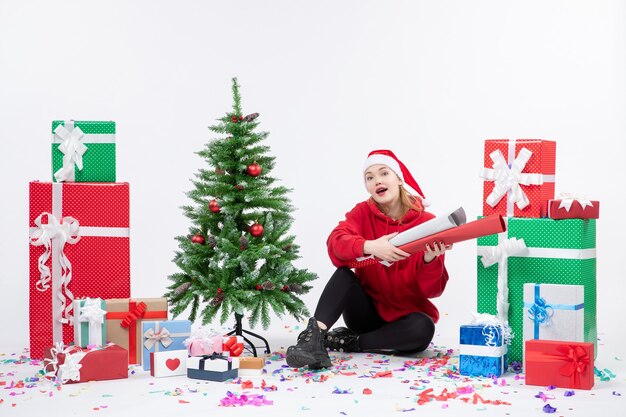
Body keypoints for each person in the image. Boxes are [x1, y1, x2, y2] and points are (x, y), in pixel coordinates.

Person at [286, 149, 452, 369]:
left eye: (384, 173)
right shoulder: (362, 213)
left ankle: (352, 343)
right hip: (365, 315)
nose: (377, 181)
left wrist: (431, 260)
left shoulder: (428, 223)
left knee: (423, 328)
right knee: (344, 274)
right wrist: (369, 246)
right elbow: (335, 244)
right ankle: (312, 339)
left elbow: (432, 292)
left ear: (399, 179)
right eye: (370, 177)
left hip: (403, 322)